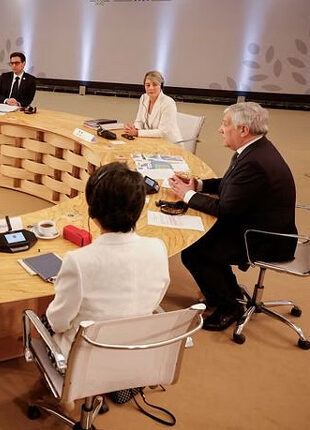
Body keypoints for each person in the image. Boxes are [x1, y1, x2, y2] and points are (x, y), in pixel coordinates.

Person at [170, 102, 297, 331]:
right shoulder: (255, 150)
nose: (220, 129)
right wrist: (198, 185)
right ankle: (227, 292)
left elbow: (225, 209)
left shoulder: (254, 162)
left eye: (225, 124)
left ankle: (228, 307)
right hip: (258, 224)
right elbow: (231, 185)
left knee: (195, 249)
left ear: (243, 130)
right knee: (199, 239)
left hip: (263, 239)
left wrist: (186, 195)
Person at [46, 162, 169, 355]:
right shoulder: (158, 248)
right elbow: (153, 302)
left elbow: (58, 323)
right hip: (136, 352)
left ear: (93, 212)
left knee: (45, 320)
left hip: (83, 360)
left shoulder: (78, 261)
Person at [123, 71, 182, 143]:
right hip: (152, 141)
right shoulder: (144, 98)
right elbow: (139, 121)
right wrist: (134, 129)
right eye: (148, 85)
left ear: (161, 86)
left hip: (170, 144)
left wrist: (137, 133)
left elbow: (162, 132)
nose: (151, 88)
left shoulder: (168, 103)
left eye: (155, 85)